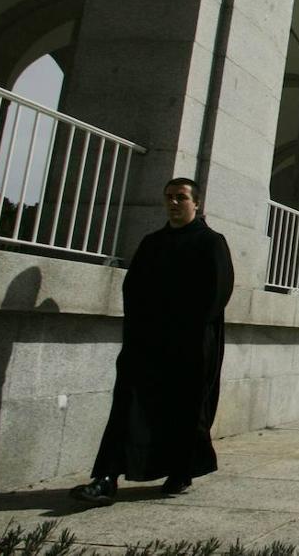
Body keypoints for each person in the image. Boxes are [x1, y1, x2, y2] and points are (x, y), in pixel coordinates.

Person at [70, 177, 234, 505]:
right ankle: (106, 477)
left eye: (181, 198)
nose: (174, 203)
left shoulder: (211, 242)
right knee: (127, 406)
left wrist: (185, 328)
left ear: (196, 203)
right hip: (146, 343)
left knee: (185, 410)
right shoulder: (153, 242)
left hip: (189, 345)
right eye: (169, 197)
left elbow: (217, 293)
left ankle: (180, 470)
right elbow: (133, 289)